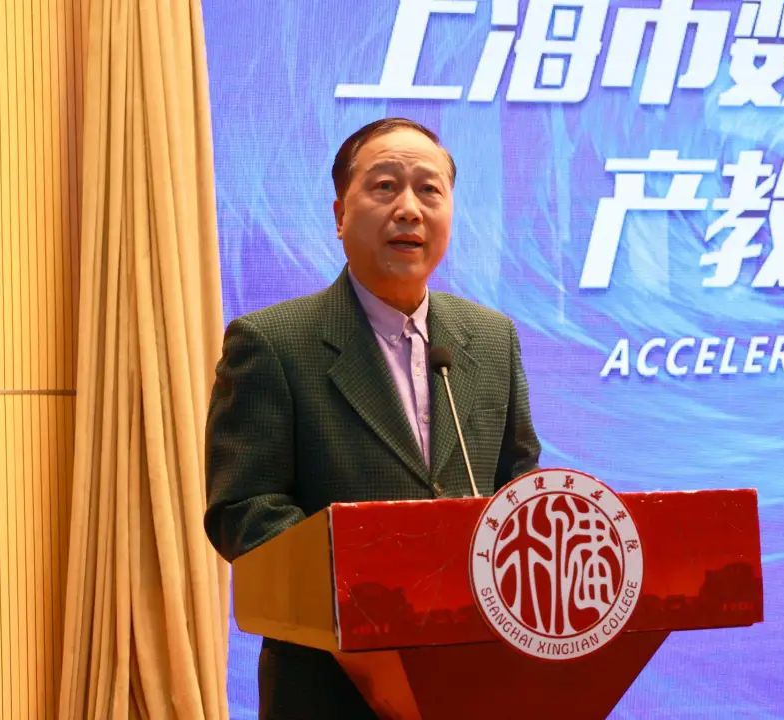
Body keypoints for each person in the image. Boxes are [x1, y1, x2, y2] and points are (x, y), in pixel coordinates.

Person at [203, 117, 542, 719]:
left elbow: (519, 484)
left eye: (429, 190)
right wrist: (368, 592)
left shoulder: (491, 339)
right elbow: (244, 510)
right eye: (385, 186)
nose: (409, 209)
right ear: (340, 214)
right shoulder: (273, 342)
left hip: (474, 677)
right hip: (332, 684)